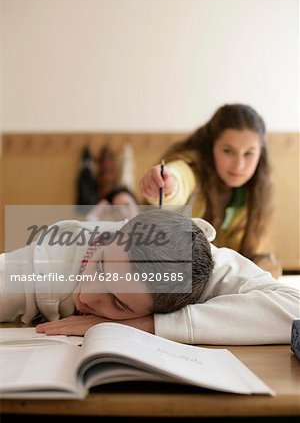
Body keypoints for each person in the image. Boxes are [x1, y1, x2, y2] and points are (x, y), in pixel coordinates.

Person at [0, 209, 298, 345]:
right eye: (101, 264)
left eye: (118, 303)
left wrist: (151, 326)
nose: (85, 296)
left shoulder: (207, 272)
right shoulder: (51, 260)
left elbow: (293, 307)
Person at [139, 104, 282, 278]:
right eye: (228, 151)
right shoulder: (194, 168)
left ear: (260, 153)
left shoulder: (256, 192)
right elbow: (180, 177)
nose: (239, 164)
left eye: (248, 154)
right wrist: (167, 185)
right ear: (212, 146)